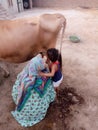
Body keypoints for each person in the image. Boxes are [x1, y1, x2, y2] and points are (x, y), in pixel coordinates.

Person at [11, 53, 56, 127]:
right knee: (47, 84)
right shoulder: (38, 80)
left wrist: (43, 61)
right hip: (35, 106)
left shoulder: (27, 70)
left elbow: (40, 62)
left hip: (24, 86)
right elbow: (45, 72)